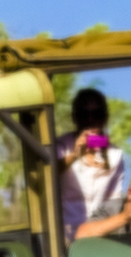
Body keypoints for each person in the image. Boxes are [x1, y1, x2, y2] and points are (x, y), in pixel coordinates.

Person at [54, 88, 126, 241]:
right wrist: (75, 154)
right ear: (75, 118)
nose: (90, 120)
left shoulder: (115, 154)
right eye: (83, 115)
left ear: (105, 118)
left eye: (97, 114)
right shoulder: (61, 145)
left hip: (98, 234)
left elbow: (114, 200)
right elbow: (51, 172)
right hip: (65, 234)